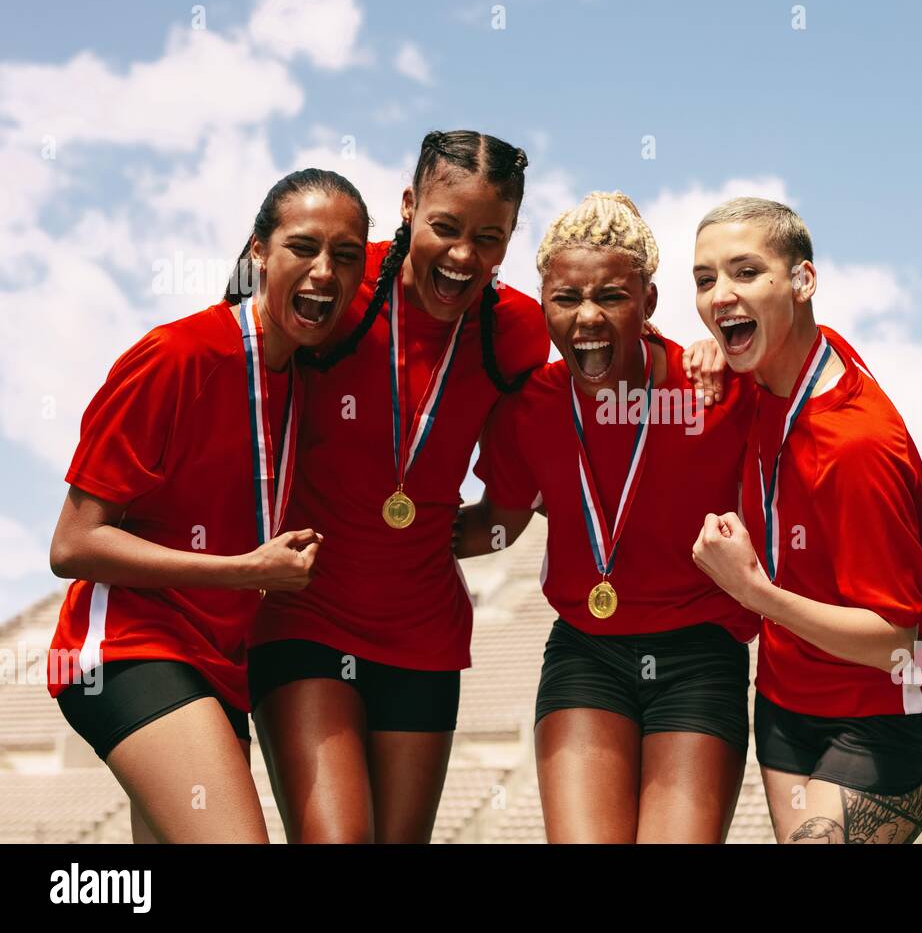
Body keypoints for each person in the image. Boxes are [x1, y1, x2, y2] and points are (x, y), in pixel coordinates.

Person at [47, 169, 369, 843]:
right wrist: (246, 569)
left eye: (345, 256)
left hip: (220, 664)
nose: (324, 271)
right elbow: (73, 545)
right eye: (303, 248)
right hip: (128, 649)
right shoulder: (179, 355)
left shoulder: (302, 378)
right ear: (258, 252)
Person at [248, 130, 550, 843]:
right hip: (306, 619)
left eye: (490, 237)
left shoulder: (515, 332)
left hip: (422, 636)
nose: (463, 256)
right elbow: (235, 360)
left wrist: (434, 535)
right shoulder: (340, 285)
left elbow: (509, 510)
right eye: (445, 228)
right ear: (409, 206)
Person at [457, 192, 758, 843]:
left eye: (612, 297)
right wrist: (389, 533)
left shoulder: (714, 389)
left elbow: (808, 488)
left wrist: (912, 599)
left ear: (648, 303)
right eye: (566, 298)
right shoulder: (528, 408)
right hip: (586, 655)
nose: (587, 317)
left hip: (700, 654)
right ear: (543, 304)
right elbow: (502, 523)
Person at [689, 197, 922, 844]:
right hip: (786, 702)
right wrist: (714, 351)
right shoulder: (771, 367)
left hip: (883, 710)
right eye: (706, 280)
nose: (721, 295)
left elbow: (897, 643)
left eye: (745, 271)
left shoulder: (856, 441)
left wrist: (753, 592)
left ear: (803, 280)